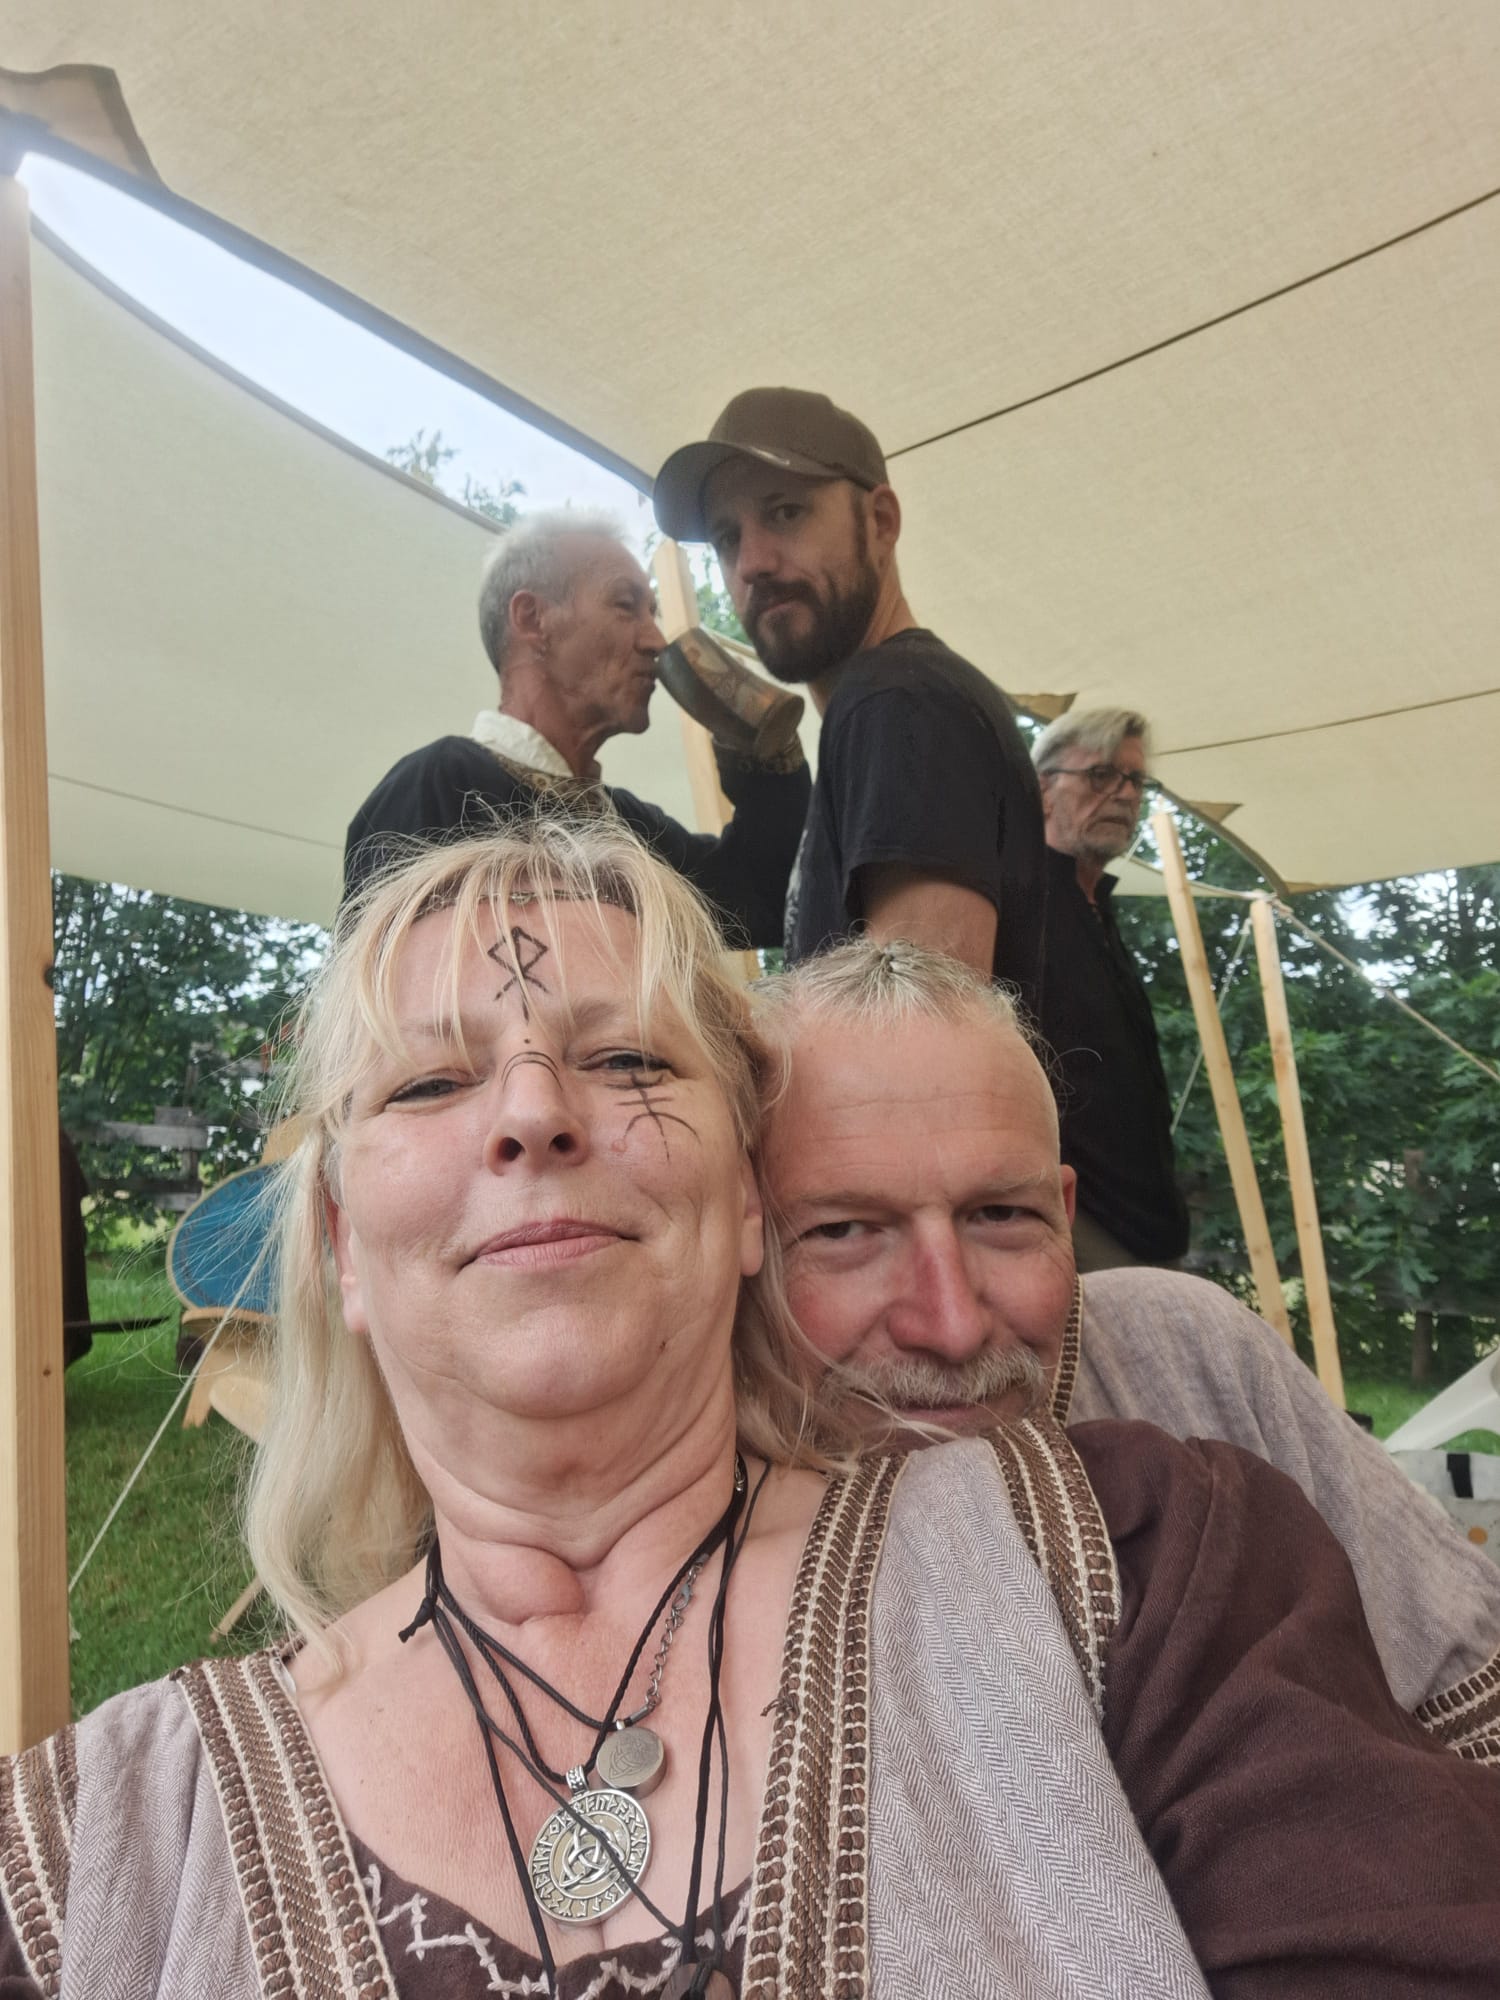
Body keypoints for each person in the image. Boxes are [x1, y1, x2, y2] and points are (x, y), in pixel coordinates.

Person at [6, 828, 1500, 2000]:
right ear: (340, 1244)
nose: (531, 1110)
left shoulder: (1137, 1560)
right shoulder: (99, 1841)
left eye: (626, 1059)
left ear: (737, 1207)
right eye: (431, 1081)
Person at [753, 936, 1500, 1737]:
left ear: (1064, 1213)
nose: (954, 1327)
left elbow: (1466, 1679)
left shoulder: (1195, 1357)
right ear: (736, 1238)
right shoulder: (695, 1501)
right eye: (844, 1231)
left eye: (1002, 1215)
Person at [654, 389, 1047, 1006]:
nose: (751, 563)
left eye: (786, 512)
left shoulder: (898, 701)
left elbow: (922, 1037)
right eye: (728, 538)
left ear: (881, 523)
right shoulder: (885, 703)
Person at [343, 508, 808, 947]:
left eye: (652, 612)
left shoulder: (628, 824)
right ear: (533, 619)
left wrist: (763, 742)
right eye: (626, 606)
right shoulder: (438, 786)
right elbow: (383, 991)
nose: (655, 640)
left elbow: (769, 902)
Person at [1031, 707, 1190, 1268]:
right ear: (1043, 790)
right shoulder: (1018, 906)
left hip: (1148, 1221)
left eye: (1136, 780)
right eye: (1101, 775)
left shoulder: (1097, 908)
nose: (1124, 794)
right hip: (1076, 1218)